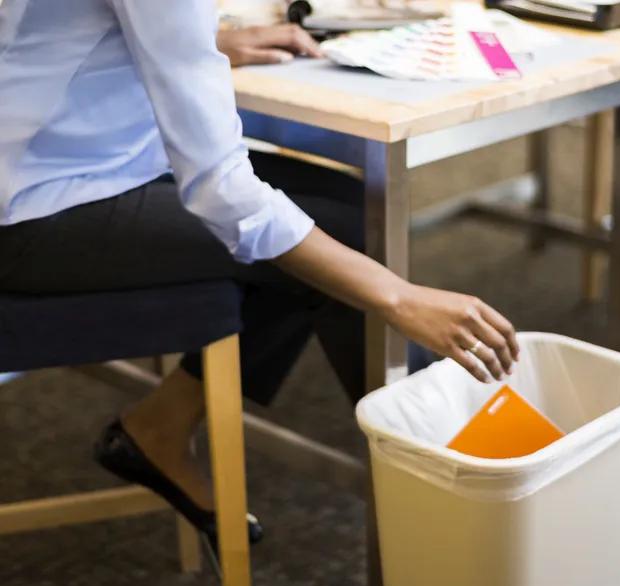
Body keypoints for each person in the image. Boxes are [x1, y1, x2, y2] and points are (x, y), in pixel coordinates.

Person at [0, 0, 518, 546]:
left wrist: (204, 42)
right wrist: (398, 297)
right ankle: (458, 516)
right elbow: (223, 191)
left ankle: (162, 426)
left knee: (336, 219)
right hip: (31, 212)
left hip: (81, 165)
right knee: (336, 241)